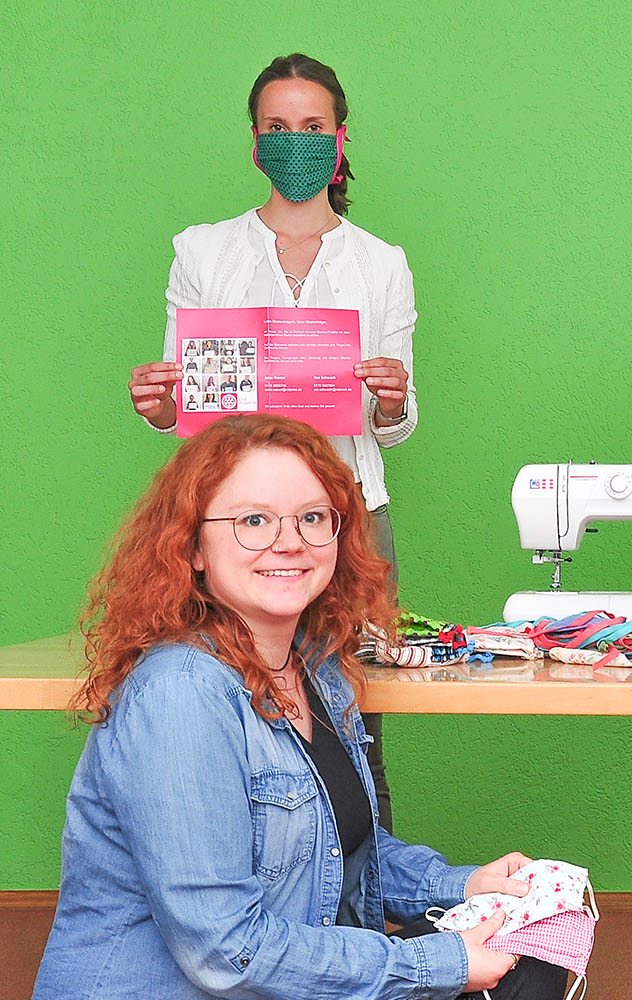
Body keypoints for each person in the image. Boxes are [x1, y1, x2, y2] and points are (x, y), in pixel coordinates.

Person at [33, 415, 568, 1000]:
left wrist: (466, 885)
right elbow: (226, 950)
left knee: (528, 960)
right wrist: (437, 964)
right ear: (191, 548)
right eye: (253, 520)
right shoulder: (180, 693)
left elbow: (339, 850)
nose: (289, 542)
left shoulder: (313, 666)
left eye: (312, 518)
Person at [125, 52, 416, 831]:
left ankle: (365, 917)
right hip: (229, 519)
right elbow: (185, 407)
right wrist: (157, 404)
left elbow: (395, 422)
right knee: (218, 710)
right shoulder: (202, 252)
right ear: (255, 143)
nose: (296, 142)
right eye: (278, 128)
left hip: (348, 513)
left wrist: (392, 397)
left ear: (340, 138)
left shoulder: (383, 264)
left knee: (355, 725)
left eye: (312, 127)